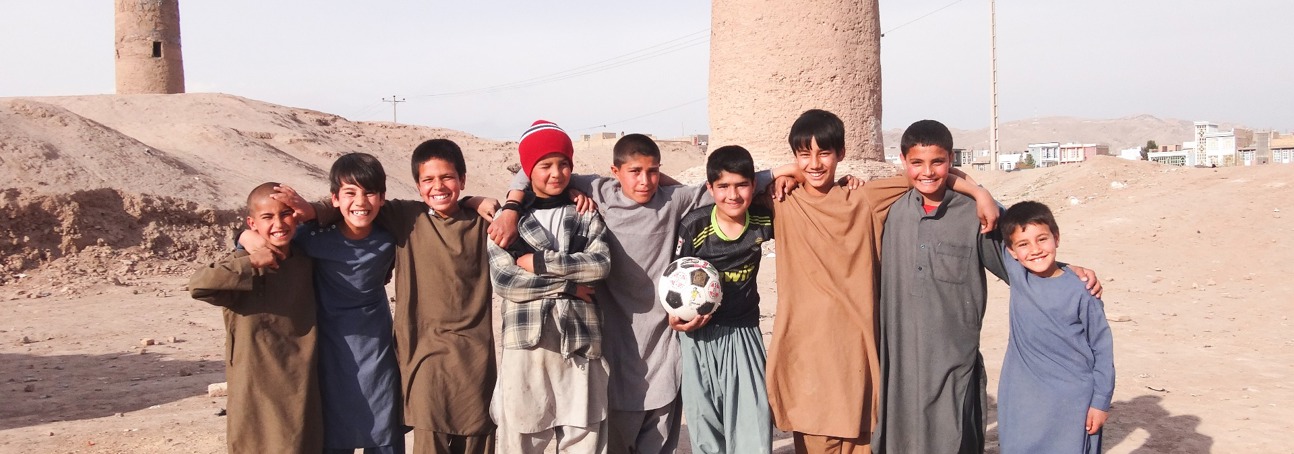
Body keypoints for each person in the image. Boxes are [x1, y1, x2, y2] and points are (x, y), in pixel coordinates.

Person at [491, 134, 782, 454]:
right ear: (615, 171)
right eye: (635, 172)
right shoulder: (599, 191)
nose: (645, 181)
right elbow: (535, 168)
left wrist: (790, 171)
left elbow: (731, 182)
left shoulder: (674, 200)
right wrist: (510, 205)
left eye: (653, 171)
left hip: (663, 346)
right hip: (611, 347)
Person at [764, 110, 998, 454]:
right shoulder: (782, 201)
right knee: (815, 437)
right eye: (804, 155)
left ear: (841, 154)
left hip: (858, 352)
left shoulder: (864, 198)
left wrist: (979, 193)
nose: (814, 164)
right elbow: (727, 185)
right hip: (805, 353)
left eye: (824, 153)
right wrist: (784, 174)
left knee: (862, 438)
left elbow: (925, 176)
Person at [872, 120, 1103, 454]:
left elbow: (1021, 256)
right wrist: (978, 188)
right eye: (917, 163)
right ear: (903, 161)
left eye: (937, 162)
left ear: (951, 159)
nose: (927, 172)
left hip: (952, 358)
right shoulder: (890, 210)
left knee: (953, 436)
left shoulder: (976, 216)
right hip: (899, 359)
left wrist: (1066, 271)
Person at [487, 120, 612, 453]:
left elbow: (599, 266)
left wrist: (540, 264)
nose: (556, 173)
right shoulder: (507, 221)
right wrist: (570, 287)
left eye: (564, 164)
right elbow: (506, 281)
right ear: (529, 170)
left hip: (581, 342)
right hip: (527, 345)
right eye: (545, 165)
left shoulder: (585, 213)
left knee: (582, 435)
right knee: (524, 434)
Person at [188, 182, 323, 454]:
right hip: (255, 389)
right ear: (252, 223)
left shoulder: (305, 261)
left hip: (302, 384)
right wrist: (251, 260)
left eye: (285, 214)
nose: (279, 223)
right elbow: (199, 286)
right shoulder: (241, 262)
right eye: (267, 217)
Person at [292, 153, 403, 454]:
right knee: (333, 429)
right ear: (335, 199)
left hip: (377, 349)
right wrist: (245, 240)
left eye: (369, 192)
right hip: (330, 349)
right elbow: (272, 236)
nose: (361, 201)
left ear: (382, 198)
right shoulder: (314, 237)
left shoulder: (390, 237)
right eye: (350, 193)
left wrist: (475, 201)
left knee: (382, 427)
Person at [671, 145, 775, 454]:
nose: (733, 195)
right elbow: (674, 279)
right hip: (698, 336)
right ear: (710, 189)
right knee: (705, 421)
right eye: (723, 186)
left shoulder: (763, 220)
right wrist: (674, 317)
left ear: (753, 185)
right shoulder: (695, 226)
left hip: (743, 332)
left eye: (741, 184)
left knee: (752, 420)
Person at [994, 201, 1115, 453]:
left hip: (1072, 403)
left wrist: (1101, 402)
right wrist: (975, 190)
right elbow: (994, 209)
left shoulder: (1082, 290)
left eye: (1042, 239)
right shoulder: (1019, 275)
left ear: (1056, 238)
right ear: (1012, 251)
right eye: (1023, 244)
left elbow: (1102, 350)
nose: (1035, 250)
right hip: (1022, 400)